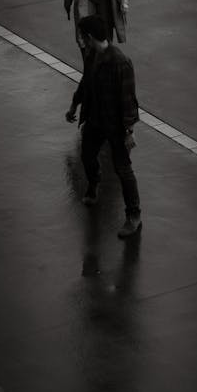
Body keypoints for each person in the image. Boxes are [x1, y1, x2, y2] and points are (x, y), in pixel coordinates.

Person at [65, 15, 142, 239]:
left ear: (89, 37)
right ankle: (94, 182)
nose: (80, 41)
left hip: (116, 125)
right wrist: (74, 105)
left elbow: (129, 100)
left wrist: (129, 131)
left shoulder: (120, 63)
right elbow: (85, 82)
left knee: (123, 169)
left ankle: (134, 215)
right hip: (96, 119)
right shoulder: (92, 56)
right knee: (87, 155)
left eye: (82, 37)